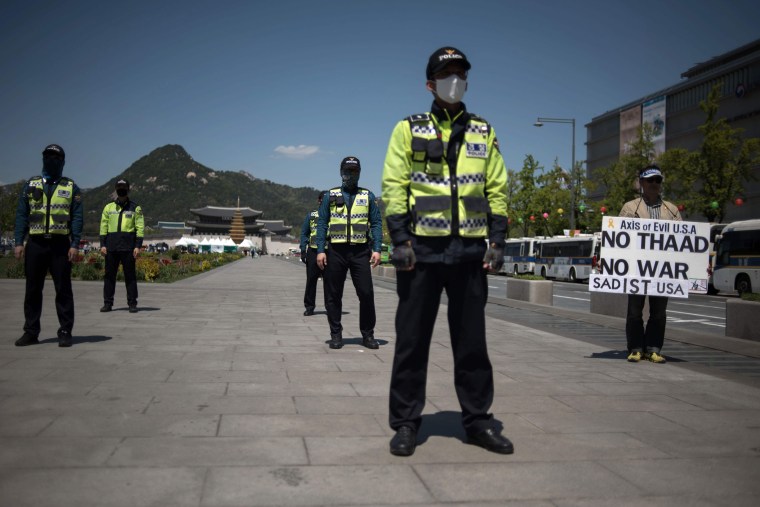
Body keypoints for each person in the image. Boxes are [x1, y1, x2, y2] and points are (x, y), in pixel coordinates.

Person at [381, 47, 512, 457]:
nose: (454, 79)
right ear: (430, 83)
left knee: (472, 343)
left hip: (469, 252)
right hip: (420, 251)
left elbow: (497, 186)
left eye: (460, 73)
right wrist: (399, 240)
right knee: (412, 341)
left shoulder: (483, 131)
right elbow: (394, 184)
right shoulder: (408, 128)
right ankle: (405, 424)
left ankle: (476, 421)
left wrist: (498, 239)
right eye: (446, 73)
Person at [14, 144, 83, 348]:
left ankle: (65, 331)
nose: (52, 160)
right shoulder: (31, 185)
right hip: (36, 243)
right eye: (48, 156)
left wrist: (75, 243)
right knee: (33, 289)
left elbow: (77, 217)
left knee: (63, 289)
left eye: (56, 157)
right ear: (43, 158)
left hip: (60, 244)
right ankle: (31, 331)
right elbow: (21, 215)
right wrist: (19, 241)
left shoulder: (70, 187)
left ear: (62, 161)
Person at [315, 156, 382, 350]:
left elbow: (376, 223)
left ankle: (368, 335)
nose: (350, 175)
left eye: (354, 171)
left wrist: (377, 248)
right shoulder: (330, 195)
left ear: (359, 173)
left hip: (360, 251)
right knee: (333, 295)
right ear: (341, 172)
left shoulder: (367, 196)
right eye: (347, 171)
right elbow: (322, 223)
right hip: (336, 250)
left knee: (367, 293)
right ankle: (336, 334)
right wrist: (321, 250)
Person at [620, 164, 682, 364]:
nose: (655, 184)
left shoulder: (672, 210)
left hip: (662, 270)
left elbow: (684, 243)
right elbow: (618, 239)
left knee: (659, 312)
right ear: (641, 183)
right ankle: (636, 348)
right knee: (634, 311)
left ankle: (654, 348)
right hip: (636, 269)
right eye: (650, 180)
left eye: (658, 180)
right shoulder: (630, 208)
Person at [99, 179, 145, 313]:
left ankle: (132, 303)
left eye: (123, 187)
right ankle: (107, 303)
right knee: (109, 277)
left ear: (128, 189)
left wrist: (138, 246)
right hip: (111, 247)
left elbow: (140, 228)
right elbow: (103, 226)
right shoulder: (108, 208)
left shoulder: (135, 208)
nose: (121, 189)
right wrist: (102, 244)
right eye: (119, 187)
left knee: (130, 276)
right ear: (115, 189)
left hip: (128, 248)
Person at [299, 190, 327, 316]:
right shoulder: (311, 215)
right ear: (319, 200)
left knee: (331, 282)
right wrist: (303, 250)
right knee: (311, 280)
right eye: (323, 199)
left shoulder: (335, 216)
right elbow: (304, 233)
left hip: (329, 252)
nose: (324, 201)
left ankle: (330, 306)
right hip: (313, 251)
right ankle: (309, 306)